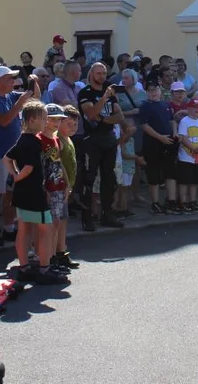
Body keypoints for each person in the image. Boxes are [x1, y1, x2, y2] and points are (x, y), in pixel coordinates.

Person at [7, 101, 68, 285]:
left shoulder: (22, 138)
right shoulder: (34, 141)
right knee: (46, 230)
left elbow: (7, 158)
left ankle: (24, 267)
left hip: (22, 193)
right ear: (32, 120)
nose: (45, 122)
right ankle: (44, 268)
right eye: (43, 118)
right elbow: (29, 166)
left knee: (24, 229)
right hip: (34, 192)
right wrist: (19, 176)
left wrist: (15, 176)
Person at [0, 66, 33, 247]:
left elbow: (33, 96)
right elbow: (3, 121)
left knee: (12, 194)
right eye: (9, 79)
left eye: (13, 79)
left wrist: (33, 82)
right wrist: (19, 104)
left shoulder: (11, 96)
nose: (13, 82)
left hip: (14, 155)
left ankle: (9, 227)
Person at [77, 62, 125, 230]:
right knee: (88, 179)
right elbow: (90, 114)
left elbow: (119, 116)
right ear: (91, 74)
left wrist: (103, 119)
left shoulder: (110, 94)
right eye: (98, 73)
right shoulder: (85, 93)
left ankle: (107, 214)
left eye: (104, 73)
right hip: (92, 140)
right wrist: (103, 99)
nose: (102, 77)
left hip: (109, 139)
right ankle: (87, 217)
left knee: (108, 178)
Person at [137, 80, 176, 215]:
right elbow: (145, 126)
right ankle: (155, 203)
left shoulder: (165, 104)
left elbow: (171, 120)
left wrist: (174, 132)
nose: (153, 93)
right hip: (153, 143)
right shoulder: (145, 106)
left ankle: (171, 201)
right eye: (150, 90)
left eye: (155, 89)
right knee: (153, 173)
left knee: (170, 172)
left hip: (168, 141)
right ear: (146, 92)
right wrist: (160, 137)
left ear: (160, 90)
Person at [54, 107, 80, 266]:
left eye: (76, 124)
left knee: (64, 220)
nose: (73, 128)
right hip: (60, 187)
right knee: (58, 221)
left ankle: (61, 251)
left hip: (67, 188)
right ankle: (56, 254)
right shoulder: (58, 140)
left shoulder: (68, 139)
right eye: (69, 124)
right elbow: (57, 165)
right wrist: (66, 184)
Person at [175, 98, 198, 213]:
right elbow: (182, 138)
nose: (196, 110)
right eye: (194, 107)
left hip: (197, 158)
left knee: (194, 181)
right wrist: (193, 148)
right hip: (185, 157)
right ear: (188, 108)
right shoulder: (185, 121)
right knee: (184, 181)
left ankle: (192, 201)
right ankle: (182, 202)